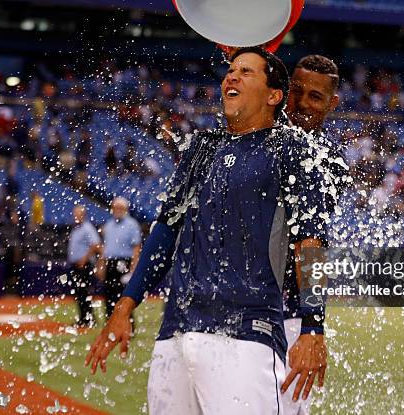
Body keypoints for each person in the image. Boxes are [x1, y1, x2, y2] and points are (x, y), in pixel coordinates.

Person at [86, 47, 332, 414]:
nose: (231, 77)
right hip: (176, 334)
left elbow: (310, 244)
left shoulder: (294, 149)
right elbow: (166, 231)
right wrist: (125, 305)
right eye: (230, 70)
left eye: (246, 72)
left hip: (247, 336)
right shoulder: (202, 148)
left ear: (273, 95)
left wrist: (313, 327)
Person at [281, 54, 342, 414]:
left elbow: (312, 244)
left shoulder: (328, 160)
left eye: (315, 96)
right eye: (296, 91)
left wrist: (313, 326)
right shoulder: (263, 136)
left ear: (332, 103)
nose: (302, 103)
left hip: (287, 312)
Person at [98, 197, 141, 319]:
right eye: (115, 207)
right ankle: (110, 323)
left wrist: (133, 267)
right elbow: (105, 247)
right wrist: (101, 264)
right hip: (110, 262)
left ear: (125, 209)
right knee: (108, 293)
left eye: (120, 208)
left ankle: (127, 324)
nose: (117, 210)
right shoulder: (109, 224)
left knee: (123, 295)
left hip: (124, 262)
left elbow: (136, 247)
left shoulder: (132, 224)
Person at [67, 205, 101, 327]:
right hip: (76, 264)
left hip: (84, 265)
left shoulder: (87, 228)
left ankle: (89, 319)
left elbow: (96, 244)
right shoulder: (76, 228)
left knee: (84, 291)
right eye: (75, 213)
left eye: (78, 213)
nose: (76, 216)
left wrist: (84, 258)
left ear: (83, 214)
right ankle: (83, 318)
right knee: (79, 292)